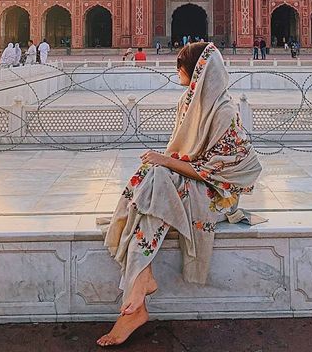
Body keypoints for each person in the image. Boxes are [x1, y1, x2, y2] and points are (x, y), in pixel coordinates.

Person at [97, 42, 266, 347]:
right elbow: (185, 157)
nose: (177, 71)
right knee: (155, 179)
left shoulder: (224, 111)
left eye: (180, 65)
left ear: (199, 70)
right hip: (192, 185)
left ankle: (138, 289)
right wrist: (166, 162)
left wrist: (166, 161)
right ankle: (141, 280)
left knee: (156, 181)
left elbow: (214, 172)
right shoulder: (188, 103)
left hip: (217, 194)